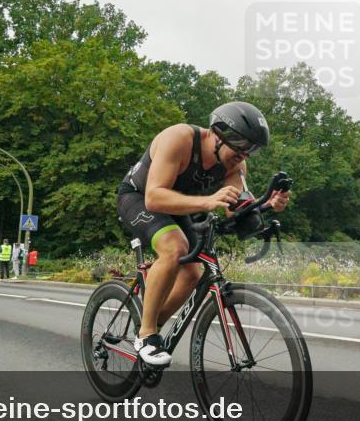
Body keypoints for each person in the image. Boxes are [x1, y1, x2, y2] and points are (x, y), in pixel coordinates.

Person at [116, 101, 290, 366]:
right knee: (175, 247)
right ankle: (146, 335)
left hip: (179, 205)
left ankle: (150, 321)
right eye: (242, 146)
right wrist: (208, 202)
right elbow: (154, 198)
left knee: (193, 273)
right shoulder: (179, 138)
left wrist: (267, 205)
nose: (245, 155)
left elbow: (239, 212)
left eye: (252, 150)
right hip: (139, 197)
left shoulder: (235, 166)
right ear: (220, 134)